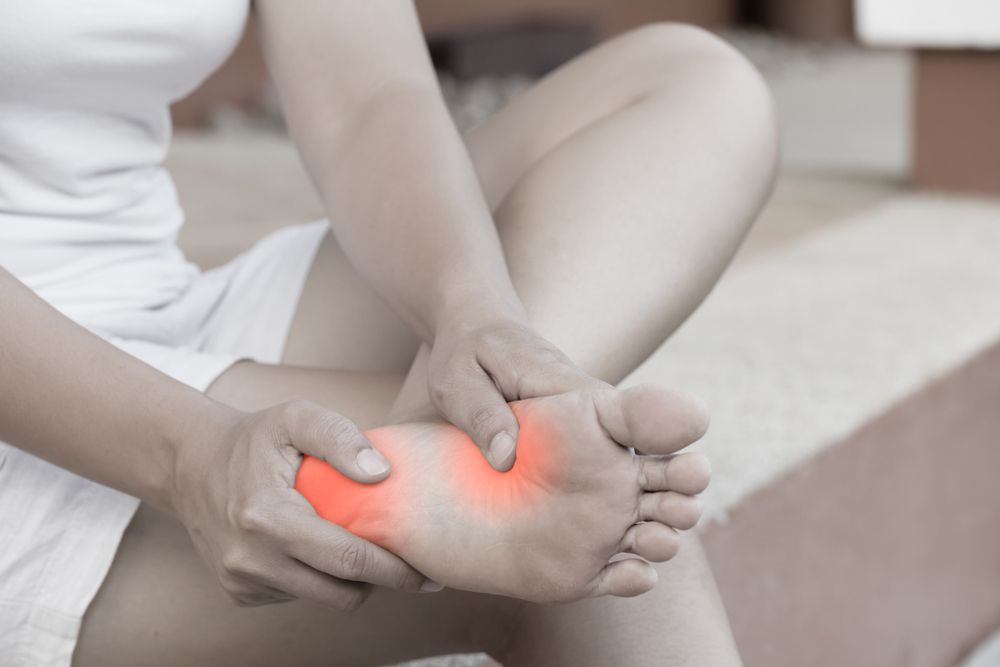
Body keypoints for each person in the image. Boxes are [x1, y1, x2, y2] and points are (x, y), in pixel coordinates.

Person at [0, 1, 777, 665]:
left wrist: (472, 311)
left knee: (695, 83)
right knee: (605, 557)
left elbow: (370, 95)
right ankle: (434, 479)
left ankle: (433, 444)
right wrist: (189, 456)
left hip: (160, 300)